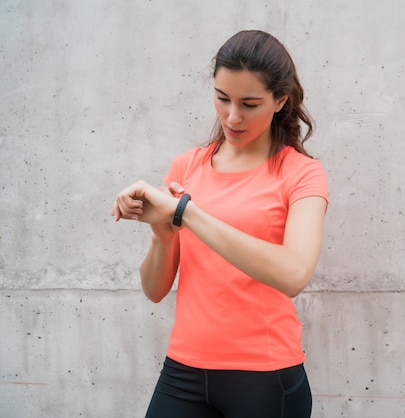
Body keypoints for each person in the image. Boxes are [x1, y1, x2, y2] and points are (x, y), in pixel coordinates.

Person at [111, 30, 328, 418]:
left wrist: (185, 213)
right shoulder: (187, 167)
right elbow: (154, 290)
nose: (232, 116)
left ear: (280, 100)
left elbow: (294, 274)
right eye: (222, 98)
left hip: (266, 376)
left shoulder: (302, 174)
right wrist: (162, 234)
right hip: (183, 371)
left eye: (250, 103)